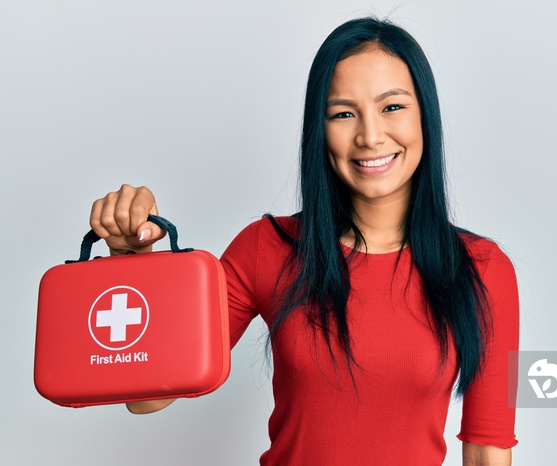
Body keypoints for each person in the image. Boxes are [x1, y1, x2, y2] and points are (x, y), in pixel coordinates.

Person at [89, 17, 519, 466]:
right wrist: (131, 259)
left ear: (425, 115)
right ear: (320, 129)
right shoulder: (267, 247)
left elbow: (488, 449)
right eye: (343, 113)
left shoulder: (483, 269)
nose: (370, 136)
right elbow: (146, 398)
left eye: (392, 107)